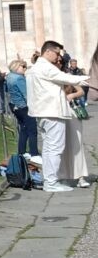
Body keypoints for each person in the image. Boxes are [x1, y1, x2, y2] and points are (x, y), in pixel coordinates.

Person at [27, 40, 90, 192]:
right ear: (48, 51)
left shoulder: (36, 68)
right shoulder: (45, 66)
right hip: (52, 112)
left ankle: (50, 180)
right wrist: (89, 79)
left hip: (44, 112)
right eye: (56, 53)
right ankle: (51, 182)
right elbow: (66, 78)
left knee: (49, 149)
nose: (58, 57)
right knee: (55, 148)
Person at [5, 57, 38, 158]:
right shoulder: (19, 78)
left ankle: (21, 151)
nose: (25, 68)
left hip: (14, 105)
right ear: (16, 67)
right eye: (23, 66)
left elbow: (6, 90)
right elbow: (26, 94)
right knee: (32, 130)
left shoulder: (9, 76)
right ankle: (34, 153)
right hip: (23, 106)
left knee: (23, 128)